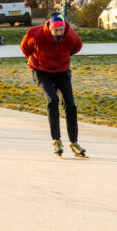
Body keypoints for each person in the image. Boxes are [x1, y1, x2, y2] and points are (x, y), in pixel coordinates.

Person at [20, 14, 87, 158]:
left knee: (70, 104)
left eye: (61, 30)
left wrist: (62, 60)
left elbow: (77, 47)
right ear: (50, 29)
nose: (59, 33)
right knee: (53, 100)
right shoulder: (36, 34)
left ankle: (74, 143)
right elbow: (25, 48)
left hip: (62, 71)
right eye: (56, 31)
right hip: (40, 71)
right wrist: (36, 61)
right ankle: (56, 140)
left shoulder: (71, 36)